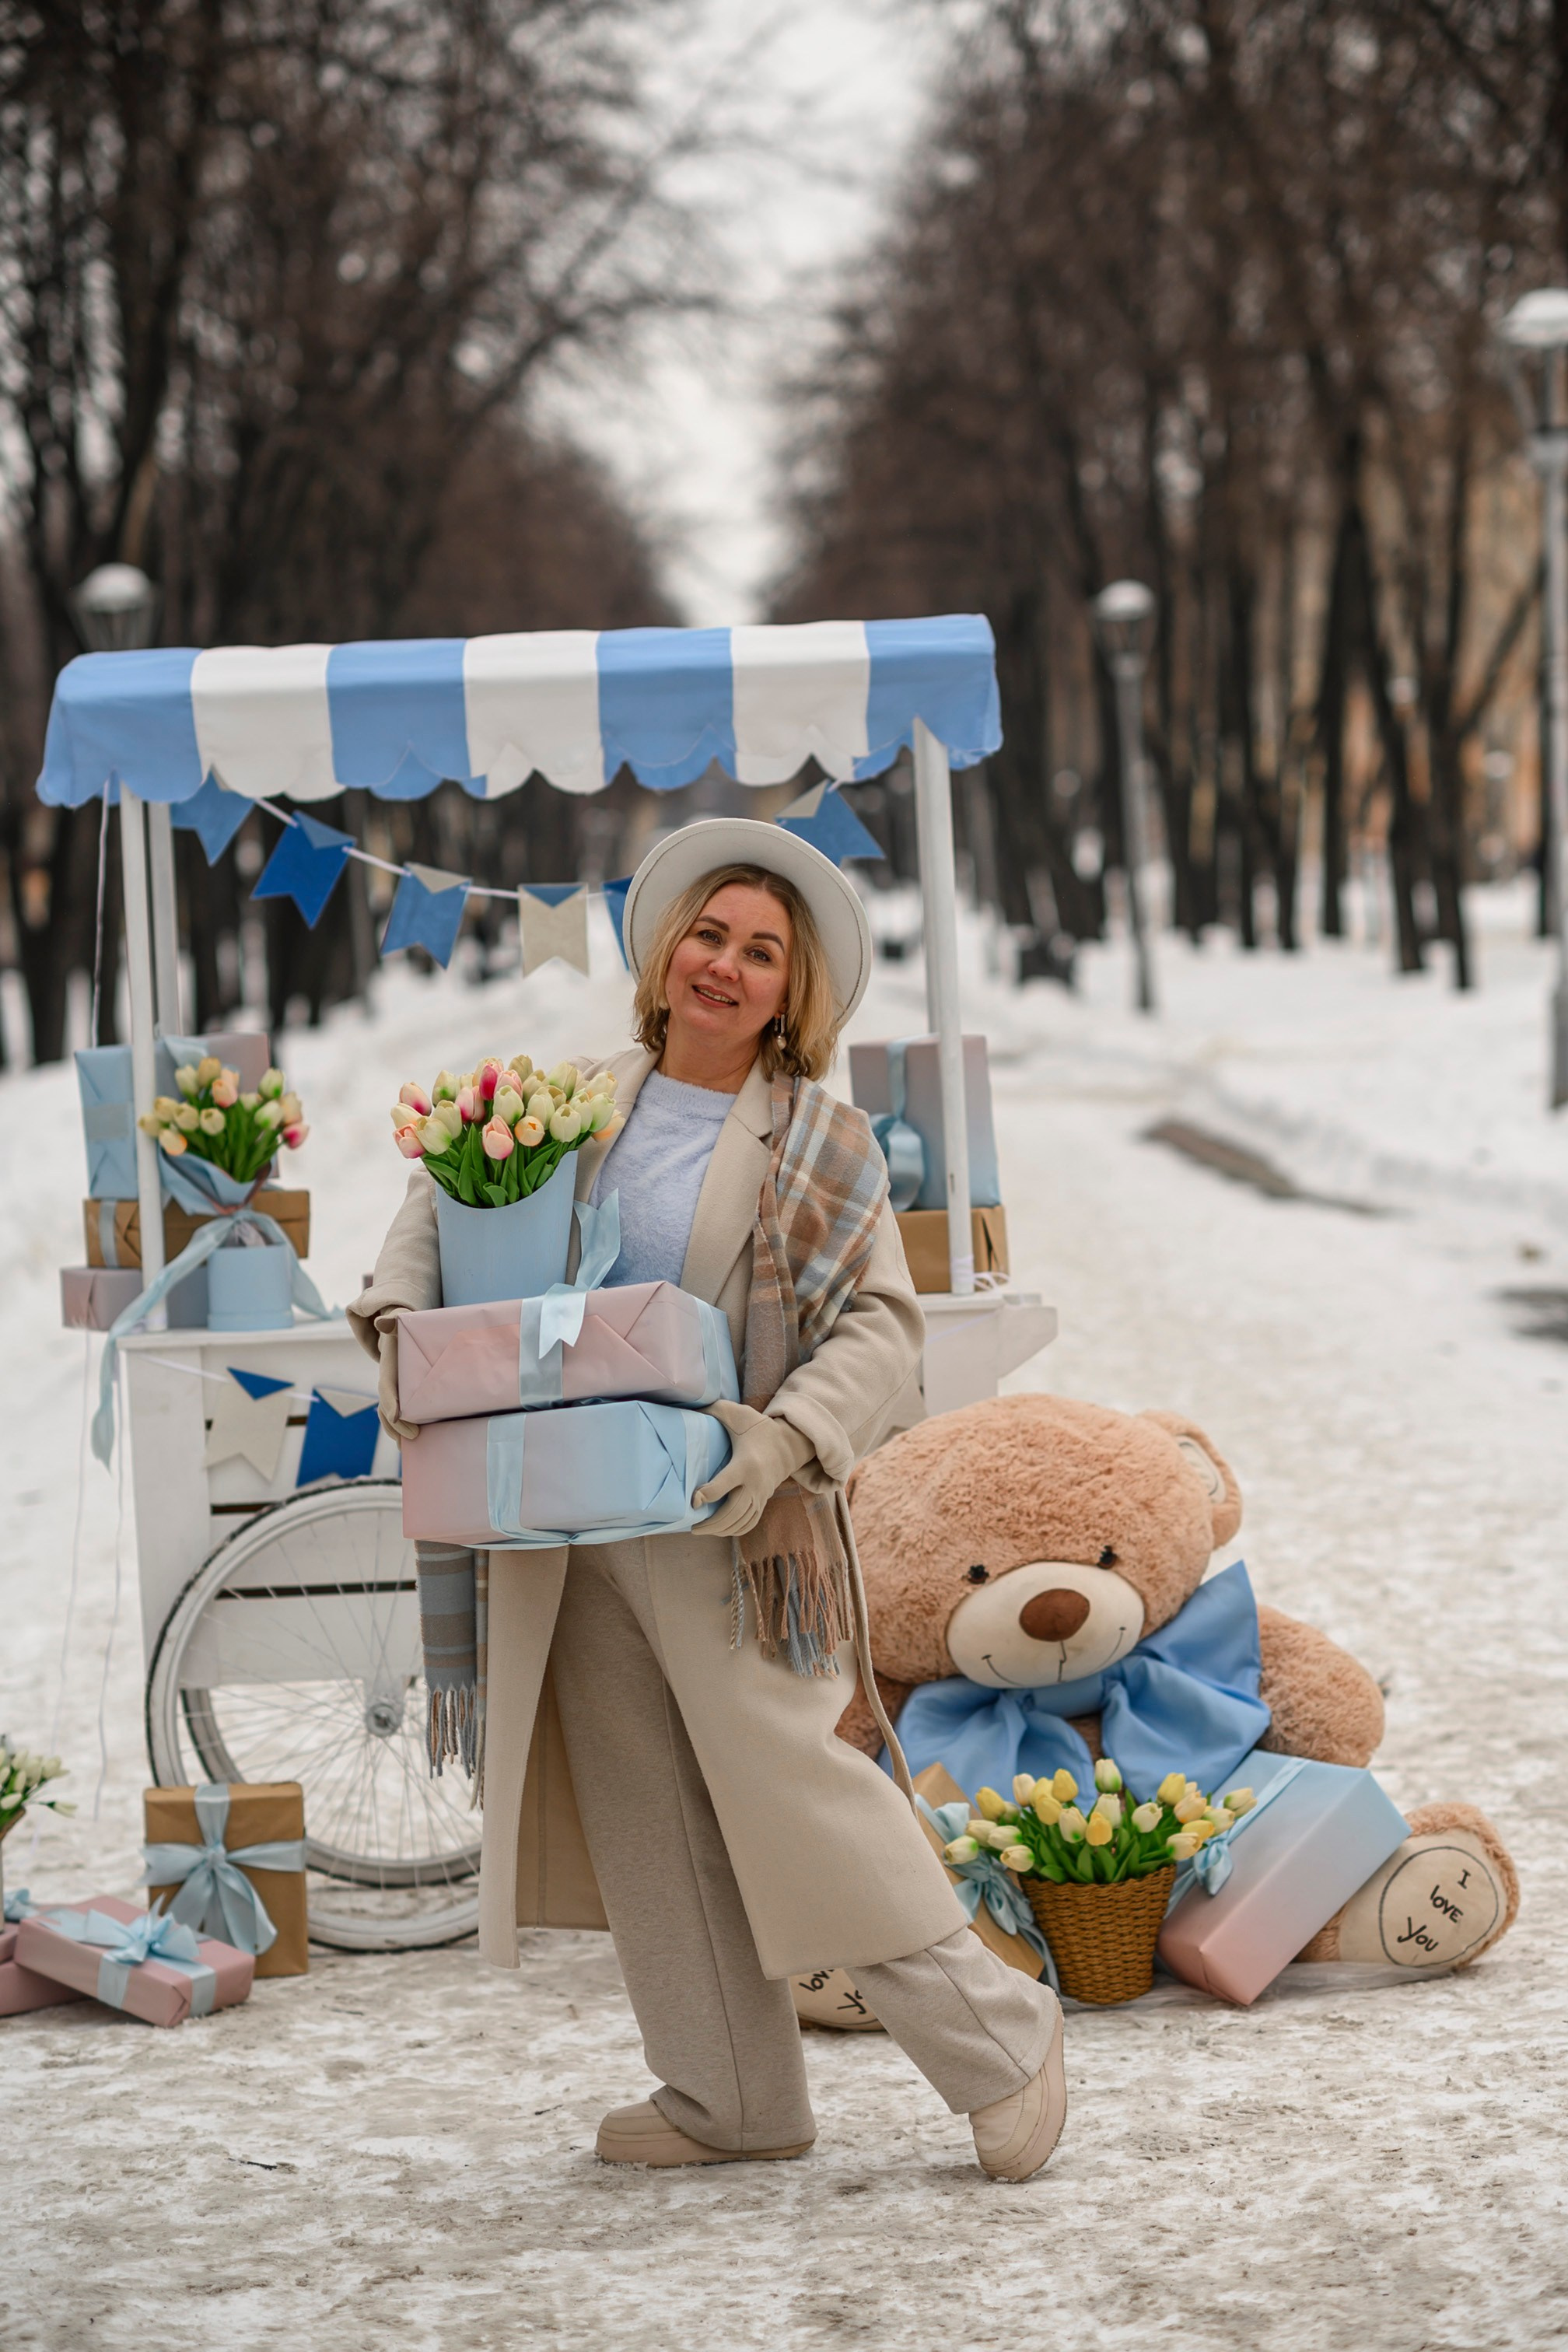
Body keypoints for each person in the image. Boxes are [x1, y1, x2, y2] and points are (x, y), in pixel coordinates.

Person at [350, 817, 1065, 2179]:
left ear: (791, 993)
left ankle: (1003, 2040)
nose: (723, 967)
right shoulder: (569, 1101)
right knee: (645, 1811)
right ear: (665, 948)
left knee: (798, 1793)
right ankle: (730, 2094)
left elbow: (880, 1329)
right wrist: (396, 1316)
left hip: (729, 1513)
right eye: (708, 935)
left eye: (760, 952)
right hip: (560, 1514)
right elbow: (439, 1202)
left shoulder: (821, 1139)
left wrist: (790, 1439)